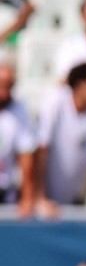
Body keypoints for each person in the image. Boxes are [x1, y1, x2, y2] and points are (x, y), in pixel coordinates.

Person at [19, 61, 86, 218]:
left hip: (75, 202)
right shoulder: (55, 101)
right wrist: (39, 197)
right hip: (47, 204)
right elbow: (41, 150)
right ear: (81, 85)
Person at [0, 60, 31, 204]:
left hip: (7, 191)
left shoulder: (20, 110)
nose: (5, 90)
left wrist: (27, 196)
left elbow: (26, 155)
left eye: (9, 84)